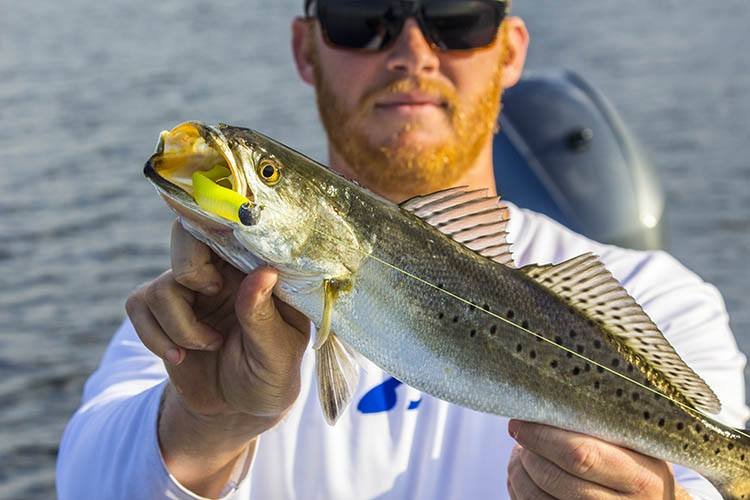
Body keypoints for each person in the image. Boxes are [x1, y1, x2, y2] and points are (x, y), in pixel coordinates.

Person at [57, 1, 749, 498]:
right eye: (362, 17)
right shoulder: (204, 311)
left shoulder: (665, 295)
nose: (411, 51)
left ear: (510, 50)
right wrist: (205, 423)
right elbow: (81, 481)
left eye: (457, 17)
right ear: (305, 48)